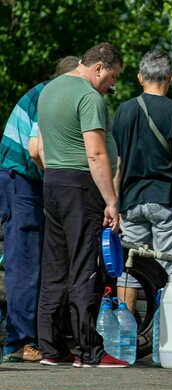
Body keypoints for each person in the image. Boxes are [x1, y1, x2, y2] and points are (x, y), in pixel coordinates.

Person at [36, 42, 127, 367]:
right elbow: (96, 153)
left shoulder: (50, 90)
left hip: (54, 182)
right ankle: (89, 351)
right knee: (85, 267)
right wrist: (111, 200)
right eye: (112, 76)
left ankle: (53, 348)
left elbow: (40, 148)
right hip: (81, 185)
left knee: (56, 266)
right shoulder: (89, 97)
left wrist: (57, 177)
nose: (112, 85)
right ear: (99, 67)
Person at [0, 56, 78, 363]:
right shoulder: (52, 96)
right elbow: (38, 149)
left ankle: (29, 336)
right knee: (26, 263)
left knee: (30, 261)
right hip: (20, 181)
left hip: (18, 178)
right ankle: (19, 342)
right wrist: (56, 183)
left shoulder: (46, 91)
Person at [112, 49, 172, 311]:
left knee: (130, 269)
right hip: (165, 199)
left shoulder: (123, 111)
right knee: (166, 268)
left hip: (130, 201)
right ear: (171, 77)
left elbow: (116, 163)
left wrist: (113, 202)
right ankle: (162, 338)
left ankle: (128, 336)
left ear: (140, 77)